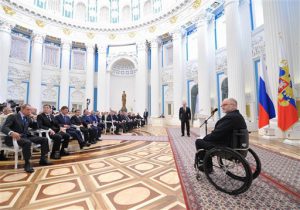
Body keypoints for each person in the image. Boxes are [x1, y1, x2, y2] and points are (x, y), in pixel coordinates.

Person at [195, 98, 247, 172]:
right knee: (206, 141)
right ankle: (207, 164)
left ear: (233, 105)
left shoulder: (230, 117)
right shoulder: (237, 116)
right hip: (233, 144)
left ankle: (206, 166)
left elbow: (216, 134)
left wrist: (205, 138)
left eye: (225, 105)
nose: (222, 107)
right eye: (222, 105)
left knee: (199, 141)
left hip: (225, 146)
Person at [1, 104, 50, 173]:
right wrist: (12, 133)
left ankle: (43, 159)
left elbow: (35, 127)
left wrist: (34, 119)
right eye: (28, 109)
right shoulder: (13, 116)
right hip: (15, 138)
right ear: (22, 109)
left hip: (26, 136)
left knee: (44, 139)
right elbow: (4, 128)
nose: (30, 111)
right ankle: (27, 163)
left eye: (30, 110)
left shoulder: (28, 118)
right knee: (27, 142)